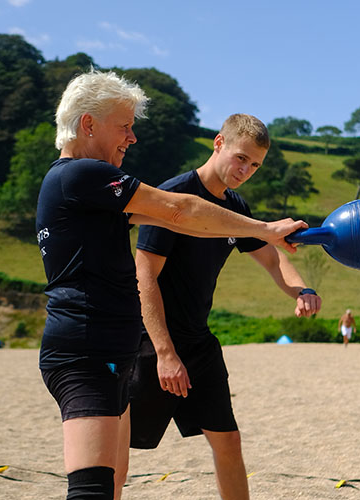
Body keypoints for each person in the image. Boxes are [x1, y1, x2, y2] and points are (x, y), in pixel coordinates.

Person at [35, 71, 308, 500]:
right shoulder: (81, 175)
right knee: (93, 489)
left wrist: (266, 239)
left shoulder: (91, 190)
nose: (133, 137)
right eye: (124, 126)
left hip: (108, 348)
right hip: (88, 350)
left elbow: (193, 223)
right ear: (88, 124)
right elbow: (179, 210)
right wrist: (266, 227)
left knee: (106, 482)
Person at [127, 114, 322, 500]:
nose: (245, 170)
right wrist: (165, 354)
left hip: (198, 342)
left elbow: (272, 257)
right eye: (240, 158)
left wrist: (303, 290)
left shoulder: (235, 207)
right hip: (151, 341)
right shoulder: (172, 196)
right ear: (218, 143)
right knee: (117, 445)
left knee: (228, 442)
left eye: (255, 165)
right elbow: (144, 277)